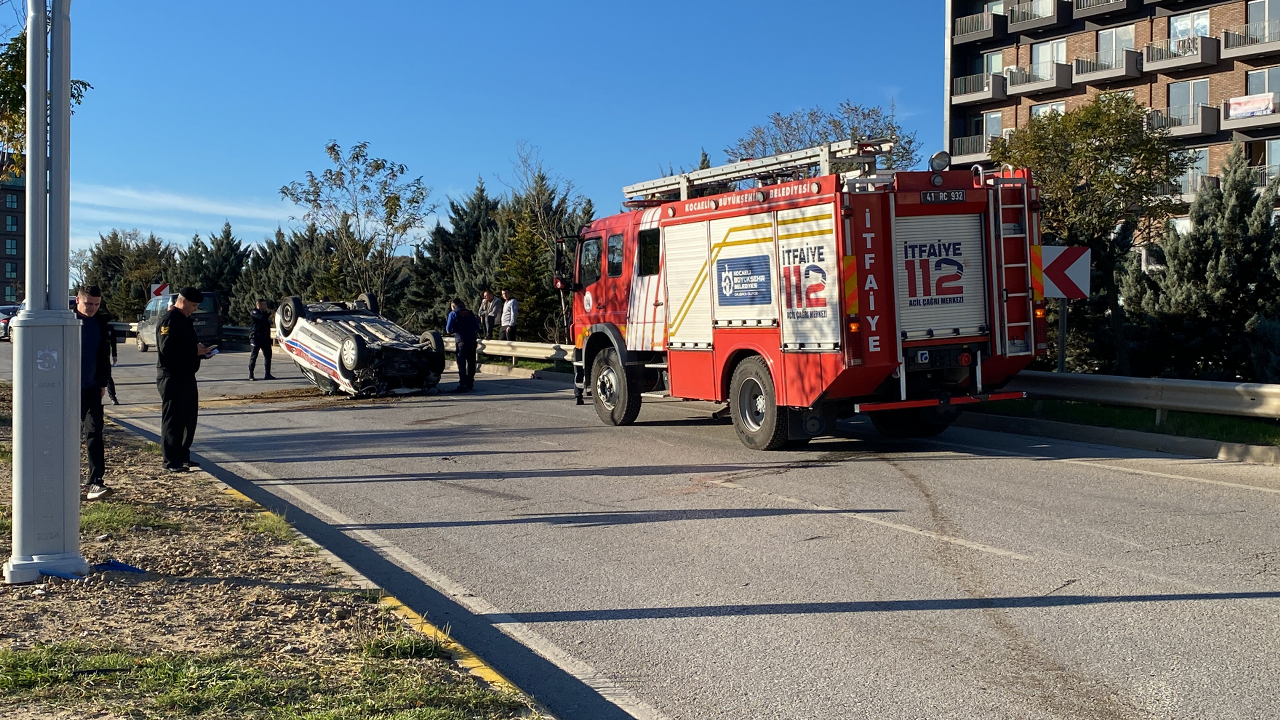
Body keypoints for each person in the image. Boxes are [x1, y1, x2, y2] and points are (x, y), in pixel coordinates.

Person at [156, 287, 213, 473]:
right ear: (183, 301)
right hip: (172, 377)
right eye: (194, 305)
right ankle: (171, 461)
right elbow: (167, 349)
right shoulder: (169, 320)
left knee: (188, 418)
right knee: (173, 419)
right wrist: (193, 351)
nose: (195, 309)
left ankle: (182, 455)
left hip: (187, 375)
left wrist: (201, 352)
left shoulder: (186, 320)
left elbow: (186, 346)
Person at [75, 286, 114, 500]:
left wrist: (102, 382)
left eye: (96, 304)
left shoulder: (100, 322)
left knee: (94, 433)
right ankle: (68, 479)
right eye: (88, 303)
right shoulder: (67, 320)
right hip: (68, 389)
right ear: (78, 300)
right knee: (69, 436)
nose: (92, 308)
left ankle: (95, 481)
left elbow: (103, 355)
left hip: (91, 387)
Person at [445, 298, 480, 392]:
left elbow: (448, 329)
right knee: (471, 362)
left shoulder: (453, 314)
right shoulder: (470, 313)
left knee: (461, 363)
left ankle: (463, 384)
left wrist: (452, 331)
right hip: (472, 340)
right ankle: (470, 382)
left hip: (461, 341)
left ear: (453, 306)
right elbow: (477, 326)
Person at [248, 298, 276, 381]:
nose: (265, 306)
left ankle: (267, 374)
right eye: (263, 304)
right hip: (256, 337)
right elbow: (261, 318)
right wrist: (269, 313)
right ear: (258, 305)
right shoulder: (254, 312)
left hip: (265, 337)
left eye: (265, 304)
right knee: (254, 355)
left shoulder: (264, 313)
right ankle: (251, 374)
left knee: (268, 356)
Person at [99, 306, 120, 405]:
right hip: (96, 356)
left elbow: (113, 342)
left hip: (105, 357)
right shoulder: (97, 328)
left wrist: (114, 355)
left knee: (108, 377)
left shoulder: (109, 328)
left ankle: (113, 397)